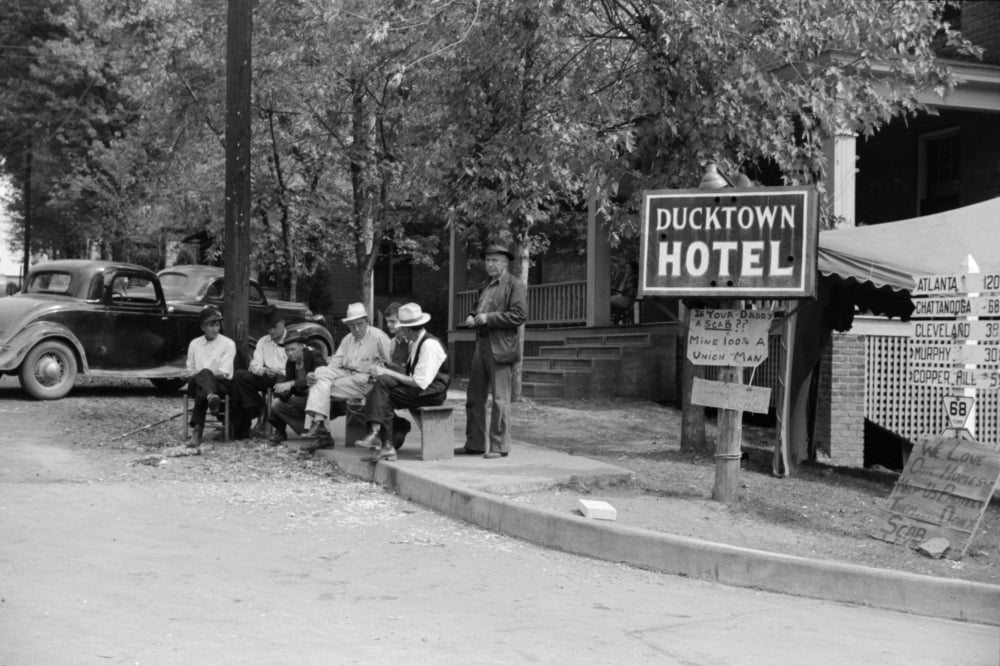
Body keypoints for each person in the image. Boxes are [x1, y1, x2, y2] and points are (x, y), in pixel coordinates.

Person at [456, 239, 528, 459]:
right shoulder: (485, 285)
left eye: (495, 260)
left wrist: (489, 317)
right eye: (488, 260)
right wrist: (472, 316)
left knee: (499, 399)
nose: (490, 264)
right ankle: (475, 443)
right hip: (482, 343)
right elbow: (477, 308)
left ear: (505, 263)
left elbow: (519, 315)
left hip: (502, 346)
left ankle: (499, 446)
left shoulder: (514, 285)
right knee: (474, 396)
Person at [357, 303, 450, 462]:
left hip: (431, 393)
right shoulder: (417, 342)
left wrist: (387, 372)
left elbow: (418, 382)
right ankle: (383, 440)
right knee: (381, 385)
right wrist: (385, 370)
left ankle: (381, 438)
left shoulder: (429, 345)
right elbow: (409, 373)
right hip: (421, 389)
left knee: (383, 393)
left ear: (407, 329)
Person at [301, 302, 391, 451]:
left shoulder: (378, 337)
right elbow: (333, 366)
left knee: (320, 387)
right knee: (320, 374)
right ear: (348, 325)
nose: (356, 329)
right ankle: (319, 423)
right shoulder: (347, 339)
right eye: (352, 326)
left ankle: (320, 431)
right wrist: (316, 374)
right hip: (349, 376)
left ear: (367, 321)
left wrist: (380, 370)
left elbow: (392, 364)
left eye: (360, 324)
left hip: (369, 380)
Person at [182, 306, 236, 448]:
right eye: (211, 325)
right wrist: (187, 375)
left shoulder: (228, 344)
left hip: (220, 385)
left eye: (217, 324)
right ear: (202, 327)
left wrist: (199, 372)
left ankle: (197, 430)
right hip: (198, 384)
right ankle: (211, 397)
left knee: (204, 380)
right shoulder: (194, 344)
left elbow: (223, 373)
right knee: (203, 379)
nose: (215, 329)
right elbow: (190, 370)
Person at [231, 307, 288, 439]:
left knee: (281, 384)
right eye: (269, 328)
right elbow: (254, 364)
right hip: (266, 376)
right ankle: (260, 408)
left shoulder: (291, 338)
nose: (271, 331)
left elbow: (296, 366)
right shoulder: (263, 341)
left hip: (285, 377)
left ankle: (279, 429)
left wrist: (280, 372)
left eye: (275, 327)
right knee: (239, 375)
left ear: (283, 323)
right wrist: (262, 371)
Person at [266, 331, 327, 444]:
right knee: (277, 402)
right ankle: (280, 431)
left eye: (292, 349)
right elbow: (288, 382)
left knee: (283, 397)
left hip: (318, 399)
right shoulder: (291, 362)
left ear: (301, 346)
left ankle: (317, 431)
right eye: (287, 350)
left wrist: (292, 383)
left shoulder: (314, 355)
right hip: (302, 399)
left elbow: (320, 376)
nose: (289, 353)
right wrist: (281, 391)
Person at [383, 302, 410, 372]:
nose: (388, 325)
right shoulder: (393, 341)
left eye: (392, 321)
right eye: (387, 321)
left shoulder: (412, 341)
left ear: (402, 321)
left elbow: (412, 373)